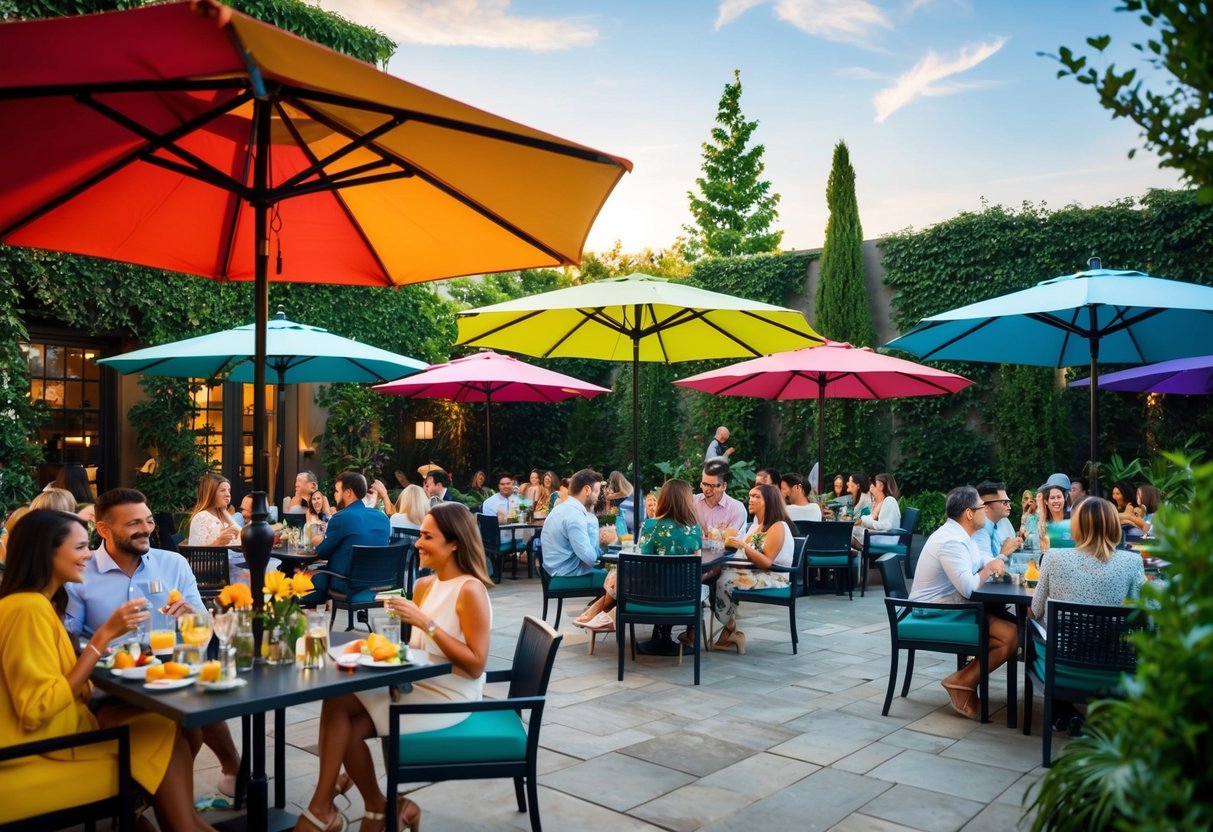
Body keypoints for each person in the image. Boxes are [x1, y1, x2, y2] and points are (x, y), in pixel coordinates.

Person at [0, 509, 216, 831]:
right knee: (162, 730)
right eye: (79, 547)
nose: (89, 554)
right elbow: (36, 709)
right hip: (36, 755)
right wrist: (104, 636)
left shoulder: (34, 604)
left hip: (56, 738)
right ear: (46, 553)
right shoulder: (27, 609)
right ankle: (181, 823)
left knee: (172, 726)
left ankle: (179, 821)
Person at [294, 503, 493, 832]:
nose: (418, 543)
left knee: (345, 724)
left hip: (449, 695)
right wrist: (373, 649)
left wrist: (425, 623)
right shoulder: (424, 585)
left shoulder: (470, 590)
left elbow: (475, 665)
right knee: (337, 699)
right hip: (416, 682)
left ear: (454, 543)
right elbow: (419, 650)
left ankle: (337, 810)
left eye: (427, 537)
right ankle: (371, 807)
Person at [64, 487, 243, 799]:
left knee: (200, 701)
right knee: (183, 724)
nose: (145, 529)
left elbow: (204, 625)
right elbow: (70, 638)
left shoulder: (173, 563)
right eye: (133, 523)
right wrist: (103, 639)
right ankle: (164, 801)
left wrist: (190, 616)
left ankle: (232, 768)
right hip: (113, 684)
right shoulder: (81, 572)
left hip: (171, 674)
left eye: (148, 521)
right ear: (103, 529)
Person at [1030, 496, 1146, 733]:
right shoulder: (1132, 562)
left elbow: (1036, 609)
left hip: (1062, 663)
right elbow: (1142, 613)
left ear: (1076, 525)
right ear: (1114, 525)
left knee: (1032, 628)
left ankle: (1062, 711)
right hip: (1113, 663)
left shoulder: (1053, 557)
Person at [908, 486, 1013, 719]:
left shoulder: (964, 535)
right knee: (1010, 636)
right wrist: (990, 568)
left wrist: (997, 561)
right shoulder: (951, 541)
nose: (985, 511)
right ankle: (961, 682)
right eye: (981, 507)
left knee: (1012, 633)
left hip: (951, 604)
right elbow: (969, 587)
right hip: (933, 611)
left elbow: (981, 560)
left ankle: (963, 681)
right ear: (969, 513)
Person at [574, 479, 702, 638]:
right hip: (683, 597)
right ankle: (601, 613)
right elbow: (696, 568)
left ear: (663, 499)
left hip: (650, 596)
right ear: (687, 501)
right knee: (618, 575)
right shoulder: (694, 531)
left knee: (617, 574)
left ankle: (600, 612)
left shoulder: (650, 526)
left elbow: (644, 562)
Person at [713, 483, 795, 653]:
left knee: (722, 580)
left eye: (757, 497)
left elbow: (766, 562)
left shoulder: (778, 526)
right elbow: (744, 552)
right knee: (714, 575)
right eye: (750, 496)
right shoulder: (757, 527)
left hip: (774, 576)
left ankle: (729, 627)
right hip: (757, 572)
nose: (751, 500)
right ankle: (728, 631)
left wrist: (743, 545)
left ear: (769, 502)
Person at [302, 472, 390, 605]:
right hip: (379, 584)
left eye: (337, 491)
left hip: (348, 584)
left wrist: (320, 542)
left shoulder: (341, 518)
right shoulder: (383, 518)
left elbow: (321, 553)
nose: (335, 495)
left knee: (308, 577)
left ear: (348, 492)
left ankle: (292, 606)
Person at [540, 468, 612, 586]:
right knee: (618, 579)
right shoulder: (575, 515)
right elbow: (590, 558)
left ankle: (599, 599)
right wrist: (595, 528)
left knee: (614, 579)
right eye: (596, 491)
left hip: (555, 571)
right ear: (587, 490)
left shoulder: (561, 509)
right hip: (568, 574)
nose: (598, 497)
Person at [692, 458, 747, 538]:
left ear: (724, 486)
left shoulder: (737, 509)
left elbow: (732, 542)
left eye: (712, 486)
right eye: (705, 484)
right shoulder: (692, 502)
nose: (707, 490)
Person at [971, 481, 1023, 560]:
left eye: (1009, 502)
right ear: (985, 507)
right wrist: (1004, 553)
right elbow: (985, 565)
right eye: (1004, 502)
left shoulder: (996, 526)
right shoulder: (979, 530)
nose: (1009, 506)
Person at [187, 473, 241, 547]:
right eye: (223, 490)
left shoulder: (222, 514)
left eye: (228, 490)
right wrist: (218, 542)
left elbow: (241, 536)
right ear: (211, 494)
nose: (228, 494)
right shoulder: (202, 517)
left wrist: (224, 511)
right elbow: (197, 552)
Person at [853, 472, 902, 550]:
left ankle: (859, 552)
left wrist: (865, 522)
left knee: (852, 531)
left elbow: (886, 526)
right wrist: (863, 521)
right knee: (853, 530)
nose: (872, 486)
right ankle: (858, 552)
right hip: (884, 536)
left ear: (881, 486)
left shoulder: (889, 500)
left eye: (875, 484)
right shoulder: (885, 501)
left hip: (887, 539)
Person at [481, 472, 527, 550]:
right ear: (498, 486)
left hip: (515, 538)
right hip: (499, 540)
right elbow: (494, 524)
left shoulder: (518, 500)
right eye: (502, 484)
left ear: (512, 484)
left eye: (508, 483)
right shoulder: (489, 502)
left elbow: (524, 517)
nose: (506, 486)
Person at [1038, 484, 1073, 551]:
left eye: (1059, 497)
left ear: (1064, 499)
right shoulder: (1044, 523)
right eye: (1052, 498)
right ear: (1046, 501)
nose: (1056, 501)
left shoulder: (1073, 519)